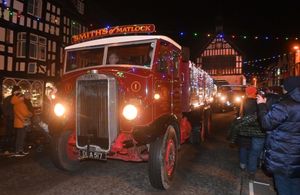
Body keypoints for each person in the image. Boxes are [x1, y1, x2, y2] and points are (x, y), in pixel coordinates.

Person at [257, 76, 300, 195]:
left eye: (284, 87)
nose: (282, 89)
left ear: (289, 88)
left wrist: (261, 105)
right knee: (296, 185)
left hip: (284, 155)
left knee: (283, 186)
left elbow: (266, 123)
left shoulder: (285, 105)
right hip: (297, 157)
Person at [11, 92, 32, 156]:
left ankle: (18, 151)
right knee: (21, 137)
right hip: (22, 123)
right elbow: (25, 113)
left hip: (18, 122)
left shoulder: (16, 104)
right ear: (19, 97)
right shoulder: (21, 104)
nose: (23, 97)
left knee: (19, 137)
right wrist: (30, 114)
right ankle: (20, 151)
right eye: (22, 96)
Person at [2, 85, 21, 153]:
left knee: (11, 133)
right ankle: (9, 147)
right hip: (12, 119)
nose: (20, 92)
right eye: (18, 91)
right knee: (12, 133)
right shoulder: (13, 99)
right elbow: (5, 109)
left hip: (12, 118)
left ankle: (9, 147)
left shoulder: (9, 98)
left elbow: (4, 109)